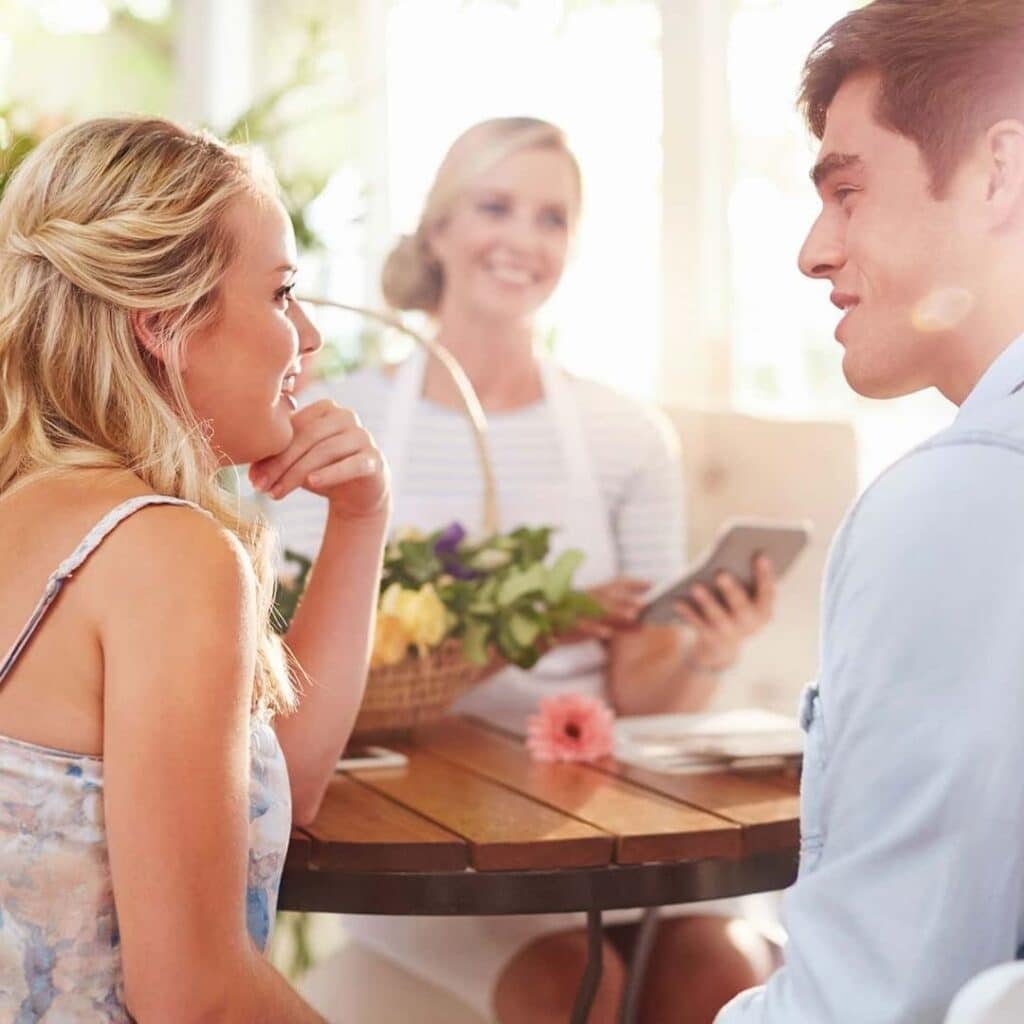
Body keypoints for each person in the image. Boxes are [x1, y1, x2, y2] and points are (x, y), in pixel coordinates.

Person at [273, 117, 778, 1024]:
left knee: (723, 979)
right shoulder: (334, 419)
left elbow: (644, 695)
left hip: (608, 815)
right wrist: (523, 629)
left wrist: (704, 647)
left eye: (552, 218)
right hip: (433, 836)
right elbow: (299, 662)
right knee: (576, 991)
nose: (522, 238)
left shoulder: (626, 435)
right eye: (494, 206)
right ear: (438, 230)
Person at [0, 116, 391, 1021]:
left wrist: (361, 523)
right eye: (283, 293)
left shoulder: (32, 510)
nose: (310, 340)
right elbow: (198, 999)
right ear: (165, 323)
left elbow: (258, 798)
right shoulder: (162, 553)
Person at [716, 1, 1024, 1021]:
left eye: (847, 191)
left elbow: (866, 1004)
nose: (812, 249)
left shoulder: (962, 497)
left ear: (997, 173)